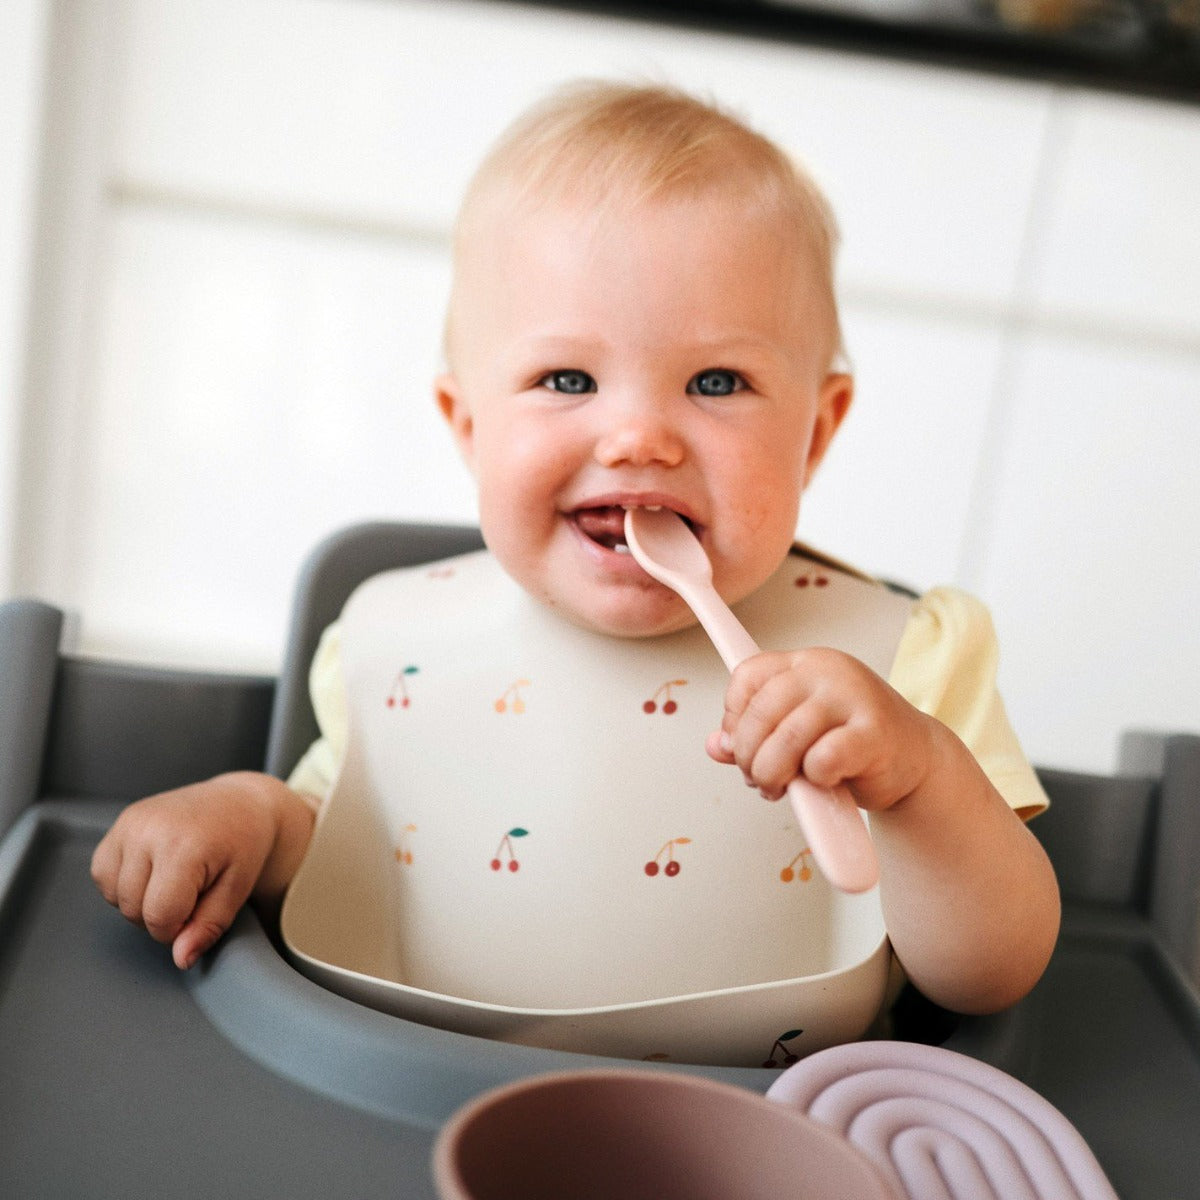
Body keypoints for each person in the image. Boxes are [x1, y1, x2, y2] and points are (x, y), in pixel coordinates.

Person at [91, 81, 1059, 1030]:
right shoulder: (397, 639)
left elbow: (987, 978)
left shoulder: (905, 666)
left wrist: (920, 776)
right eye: (567, 378)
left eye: (717, 381)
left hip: (764, 1127)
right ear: (467, 425)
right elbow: (349, 855)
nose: (638, 435)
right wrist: (251, 818)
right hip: (404, 1096)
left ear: (815, 431)